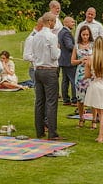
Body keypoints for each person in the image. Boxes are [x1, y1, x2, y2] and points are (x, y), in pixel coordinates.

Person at [28, 12, 62, 140]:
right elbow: (54, 55)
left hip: (38, 70)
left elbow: (34, 54)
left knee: (39, 101)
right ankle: (52, 132)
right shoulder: (51, 37)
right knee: (51, 102)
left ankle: (40, 131)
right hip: (49, 70)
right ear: (50, 22)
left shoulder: (36, 36)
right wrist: (59, 49)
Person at [71, 25, 94, 128]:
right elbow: (72, 61)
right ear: (80, 35)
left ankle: (94, 120)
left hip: (91, 73)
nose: (85, 37)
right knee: (80, 99)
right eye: (83, 34)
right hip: (80, 74)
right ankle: (81, 118)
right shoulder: (76, 46)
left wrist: (90, 60)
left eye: (87, 35)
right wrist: (81, 60)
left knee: (94, 97)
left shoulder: (93, 45)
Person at [19, 17, 44, 88]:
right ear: (41, 25)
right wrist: (39, 59)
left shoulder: (40, 36)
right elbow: (26, 56)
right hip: (35, 69)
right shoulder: (32, 38)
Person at [58, 17, 77, 106]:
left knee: (65, 81)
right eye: (72, 22)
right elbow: (69, 46)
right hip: (69, 60)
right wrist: (79, 48)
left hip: (63, 60)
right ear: (66, 23)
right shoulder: (66, 33)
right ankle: (74, 100)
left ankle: (66, 99)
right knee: (73, 80)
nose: (73, 23)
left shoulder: (61, 32)